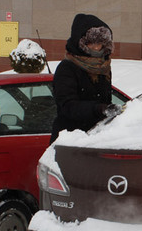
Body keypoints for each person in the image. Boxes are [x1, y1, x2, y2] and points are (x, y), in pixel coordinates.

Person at [50, 13, 120, 143]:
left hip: (95, 137)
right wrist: (98, 109)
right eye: (90, 43)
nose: (96, 48)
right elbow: (68, 106)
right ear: (80, 42)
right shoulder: (67, 68)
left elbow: (105, 98)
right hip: (70, 138)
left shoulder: (103, 67)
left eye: (100, 43)